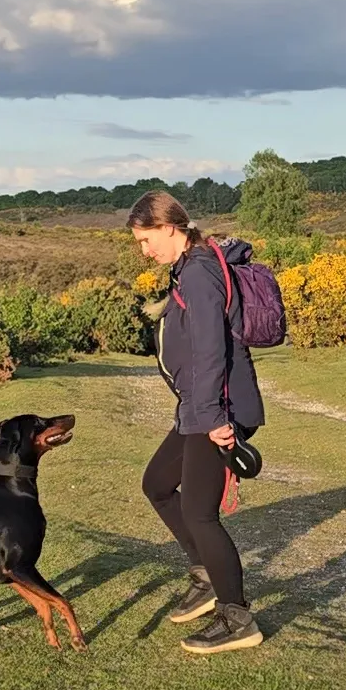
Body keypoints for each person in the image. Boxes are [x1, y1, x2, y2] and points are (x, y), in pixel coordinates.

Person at [129, 191, 264, 653]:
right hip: (198, 409)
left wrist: (212, 420)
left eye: (146, 240)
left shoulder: (201, 271)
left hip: (214, 410)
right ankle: (206, 576)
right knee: (157, 484)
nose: (144, 251)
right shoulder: (188, 267)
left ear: (170, 227)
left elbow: (212, 352)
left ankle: (237, 617)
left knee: (200, 514)